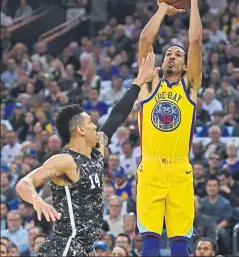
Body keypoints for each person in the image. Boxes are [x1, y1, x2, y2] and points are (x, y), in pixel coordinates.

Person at [15, 54, 159, 257]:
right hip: (65, 245)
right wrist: (37, 200)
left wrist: (138, 83)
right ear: (80, 130)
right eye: (90, 122)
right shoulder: (65, 160)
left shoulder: (97, 148)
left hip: (84, 246)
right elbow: (23, 184)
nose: (95, 126)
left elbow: (116, 116)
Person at [136, 0, 202, 257]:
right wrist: (163, 7)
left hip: (179, 168)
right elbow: (145, 39)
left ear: (186, 65)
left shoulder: (191, 85)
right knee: (149, 239)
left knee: (179, 240)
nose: (172, 57)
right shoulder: (149, 82)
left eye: (178, 55)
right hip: (150, 166)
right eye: (168, 54)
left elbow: (195, 39)